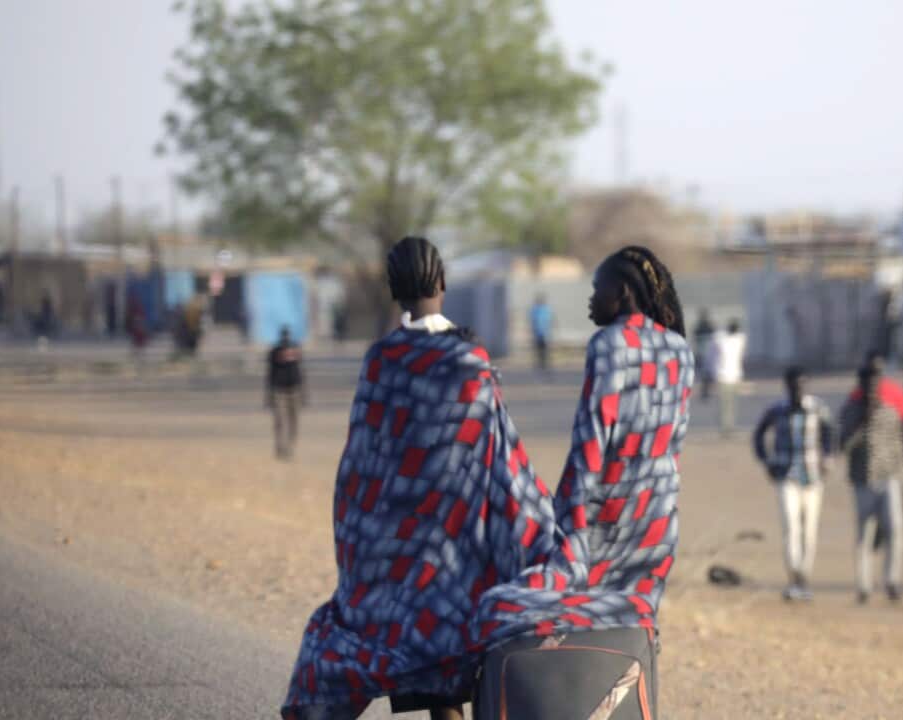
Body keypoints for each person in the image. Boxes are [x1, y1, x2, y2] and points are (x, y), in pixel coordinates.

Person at [280, 237, 556, 720]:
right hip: (454, 551)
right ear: (444, 283)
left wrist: (357, 539)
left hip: (392, 549)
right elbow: (502, 458)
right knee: (443, 675)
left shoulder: (382, 361)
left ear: (392, 290)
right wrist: (543, 539)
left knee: (377, 643)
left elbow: (361, 464)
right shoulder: (470, 362)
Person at [472, 245, 695, 719]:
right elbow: (674, 438)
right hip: (657, 518)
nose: (592, 302)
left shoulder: (610, 344)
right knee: (632, 624)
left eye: (597, 291)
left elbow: (594, 438)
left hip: (603, 519)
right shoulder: (680, 349)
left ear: (623, 291)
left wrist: (572, 521)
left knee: (506, 609)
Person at [753, 366, 834, 602]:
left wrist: (827, 458)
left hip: (812, 478)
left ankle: (804, 575)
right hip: (786, 476)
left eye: (802, 385)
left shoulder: (817, 409)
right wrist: (767, 461)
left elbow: (830, 435)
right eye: (794, 386)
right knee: (791, 528)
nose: (798, 390)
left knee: (809, 530)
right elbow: (759, 435)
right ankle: (794, 577)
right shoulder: (777, 410)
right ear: (787, 386)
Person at [840, 365, 903, 604]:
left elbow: (897, 446)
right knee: (864, 537)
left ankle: (892, 581)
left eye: (875, 385)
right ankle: (864, 586)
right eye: (867, 385)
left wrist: (899, 479)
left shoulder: (890, 411)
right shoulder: (850, 412)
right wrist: (861, 423)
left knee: (895, 531)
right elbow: (844, 446)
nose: (871, 390)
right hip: (861, 482)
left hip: (888, 478)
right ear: (860, 386)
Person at [266, 326, 305, 460]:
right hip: (279, 390)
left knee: (294, 421)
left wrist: (304, 395)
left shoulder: (296, 350)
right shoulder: (274, 351)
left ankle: (290, 447)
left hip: (294, 389)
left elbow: (301, 373)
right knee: (280, 420)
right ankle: (280, 447)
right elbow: (270, 373)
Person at [712, 319, 746, 435]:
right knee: (724, 404)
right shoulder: (729, 340)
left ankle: (730, 426)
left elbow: (717, 337)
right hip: (723, 376)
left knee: (731, 403)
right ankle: (724, 427)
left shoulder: (735, 339)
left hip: (734, 376)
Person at [692, 308, 716, 400]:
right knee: (706, 374)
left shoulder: (699, 327)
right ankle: (705, 391)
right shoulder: (709, 327)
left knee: (703, 374)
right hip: (707, 354)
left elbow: (695, 338)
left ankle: (705, 391)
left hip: (702, 353)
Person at [529, 293, 553, 374]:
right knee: (539, 349)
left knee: (544, 349)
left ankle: (544, 363)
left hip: (544, 333)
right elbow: (533, 321)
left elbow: (549, 320)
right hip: (539, 333)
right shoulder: (536, 309)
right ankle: (540, 363)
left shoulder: (544, 309)